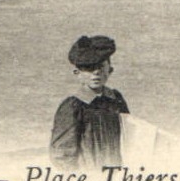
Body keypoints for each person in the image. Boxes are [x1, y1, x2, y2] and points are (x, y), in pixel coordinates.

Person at [50, 35, 129, 171]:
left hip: (117, 174)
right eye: (89, 68)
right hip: (88, 177)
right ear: (77, 73)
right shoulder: (72, 107)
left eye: (101, 67)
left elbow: (129, 136)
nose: (96, 72)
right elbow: (61, 154)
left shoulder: (116, 100)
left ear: (110, 70)